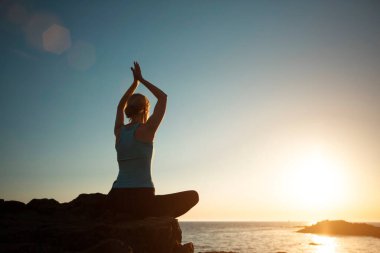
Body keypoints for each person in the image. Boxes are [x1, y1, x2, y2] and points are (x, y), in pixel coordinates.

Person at [108, 61, 199, 219]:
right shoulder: (147, 129)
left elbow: (118, 107)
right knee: (193, 196)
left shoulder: (119, 132)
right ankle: (153, 217)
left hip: (117, 197)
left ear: (128, 110)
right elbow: (163, 98)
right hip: (142, 199)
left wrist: (134, 84)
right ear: (145, 109)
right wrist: (141, 79)